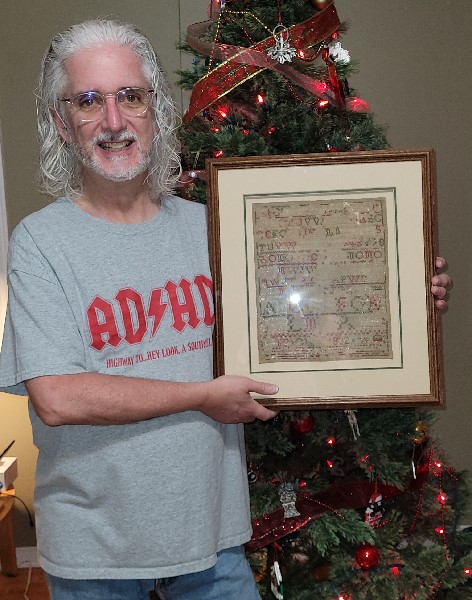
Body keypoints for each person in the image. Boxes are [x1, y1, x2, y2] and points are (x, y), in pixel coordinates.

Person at [0, 19, 451, 600]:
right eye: (89, 101)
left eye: (130, 96)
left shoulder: (214, 226)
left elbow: (310, 303)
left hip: (212, 542)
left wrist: (405, 290)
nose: (113, 121)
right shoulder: (39, 242)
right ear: (63, 123)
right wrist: (202, 397)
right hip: (98, 555)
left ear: (154, 108)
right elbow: (58, 397)